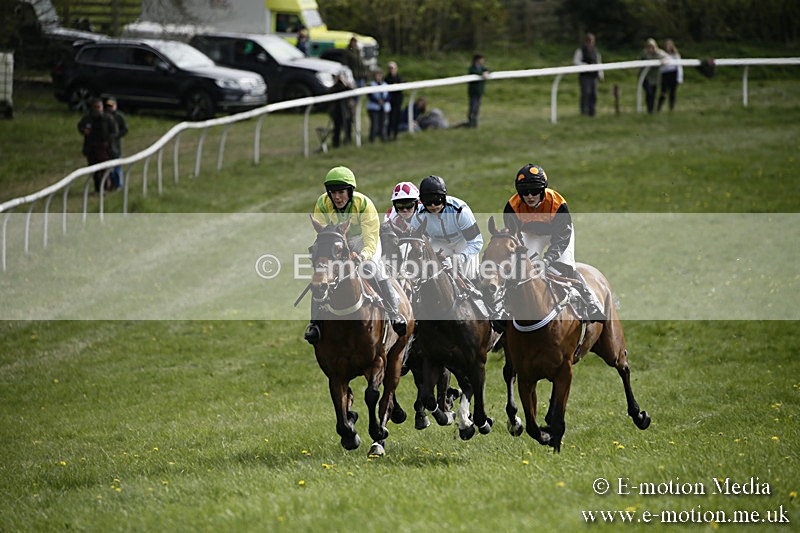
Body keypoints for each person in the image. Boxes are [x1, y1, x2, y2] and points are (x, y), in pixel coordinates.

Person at [305, 166, 407, 344]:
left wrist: (361, 256)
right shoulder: (322, 204)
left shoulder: (364, 205)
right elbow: (322, 236)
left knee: (374, 268)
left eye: (341, 192)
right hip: (336, 241)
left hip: (362, 240)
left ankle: (394, 314)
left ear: (350, 191)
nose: (336, 197)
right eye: (332, 192)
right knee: (321, 277)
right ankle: (315, 324)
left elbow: (371, 241)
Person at [502, 164, 604, 321]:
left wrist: (548, 259)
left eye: (535, 191)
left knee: (564, 268)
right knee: (520, 269)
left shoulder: (557, 203)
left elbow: (562, 237)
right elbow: (514, 237)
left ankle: (591, 301)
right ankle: (506, 309)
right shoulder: (512, 207)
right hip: (530, 234)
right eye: (524, 192)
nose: (529, 196)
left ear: (543, 190)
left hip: (558, 236)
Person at [410, 175, 483, 280]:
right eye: (428, 201)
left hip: (463, 242)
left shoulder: (460, 211)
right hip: (438, 243)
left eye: (437, 200)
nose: (433, 206)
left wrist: (459, 259)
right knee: (430, 273)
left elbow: (476, 242)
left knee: (470, 275)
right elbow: (415, 241)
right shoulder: (418, 216)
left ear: (444, 197)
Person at [77, 97, 118, 193]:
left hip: (104, 148)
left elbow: (114, 131)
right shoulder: (87, 118)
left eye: (99, 107)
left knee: (104, 169)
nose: (97, 109)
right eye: (95, 107)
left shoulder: (108, 118)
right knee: (94, 170)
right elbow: (80, 126)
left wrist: (109, 141)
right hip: (91, 147)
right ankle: (97, 188)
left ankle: (105, 188)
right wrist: (84, 131)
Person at [573, 33, 604, 117]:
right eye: (589, 41)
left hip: (593, 76)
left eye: (592, 41)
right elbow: (576, 61)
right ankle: (584, 111)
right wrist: (586, 66)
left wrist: (601, 74)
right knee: (585, 93)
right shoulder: (580, 50)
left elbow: (599, 63)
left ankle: (592, 111)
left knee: (593, 94)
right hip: (585, 76)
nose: (591, 43)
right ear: (586, 41)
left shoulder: (596, 51)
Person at [104, 97, 128, 190]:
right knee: (109, 167)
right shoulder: (104, 116)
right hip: (106, 146)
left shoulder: (119, 116)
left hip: (116, 146)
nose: (110, 108)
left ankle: (118, 184)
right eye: (108, 106)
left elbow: (125, 129)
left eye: (111, 106)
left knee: (117, 165)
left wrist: (116, 136)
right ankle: (112, 184)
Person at [639, 38, 667, 114]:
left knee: (653, 94)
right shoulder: (644, 53)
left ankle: (651, 111)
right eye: (649, 46)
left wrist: (664, 60)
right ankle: (649, 109)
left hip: (655, 78)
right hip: (645, 77)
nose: (650, 48)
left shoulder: (659, 53)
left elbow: (665, 57)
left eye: (652, 46)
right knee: (649, 93)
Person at [329, 73, 354, 148]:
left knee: (348, 126)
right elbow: (331, 91)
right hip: (337, 111)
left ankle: (348, 141)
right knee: (337, 128)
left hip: (347, 111)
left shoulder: (347, 86)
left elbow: (351, 90)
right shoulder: (335, 87)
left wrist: (345, 82)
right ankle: (336, 144)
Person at [658, 39, 683, 112]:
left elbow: (679, 67)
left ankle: (671, 108)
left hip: (673, 74)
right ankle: (658, 108)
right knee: (663, 92)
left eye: (669, 46)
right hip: (665, 75)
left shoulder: (676, 55)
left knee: (672, 93)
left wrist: (680, 78)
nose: (668, 47)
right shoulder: (662, 54)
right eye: (666, 46)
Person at [467, 53, 490, 128]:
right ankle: (471, 123)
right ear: (477, 60)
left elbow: (488, 70)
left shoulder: (482, 67)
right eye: (481, 59)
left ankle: (475, 123)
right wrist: (482, 74)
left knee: (477, 107)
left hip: (479, 92)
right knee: (473, 107)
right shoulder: (472, 68)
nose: (483, 61)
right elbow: (474, 73)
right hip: (473, 92)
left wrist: (486, 72)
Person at [366, 69, 389, 143]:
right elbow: (370, 96)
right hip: (373, 108)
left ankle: (383, 139)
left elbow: (389, 95)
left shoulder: (385, 84)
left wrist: (384, 101)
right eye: (377, 75)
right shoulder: (371, 84)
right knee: (374, 124)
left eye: (380, 75)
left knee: (383, 124)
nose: (378, 76)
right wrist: (378, 101)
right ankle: (372, 139)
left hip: (383, 107)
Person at [384, 61, 404, 141]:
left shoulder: (399, 77)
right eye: (389, 68)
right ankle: (388, 135)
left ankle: (395, 135)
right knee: (390, 119)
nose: (391, 70)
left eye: (392, 68)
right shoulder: (386, 78)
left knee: (397, 119)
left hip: (398, 102)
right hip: (389, 102)